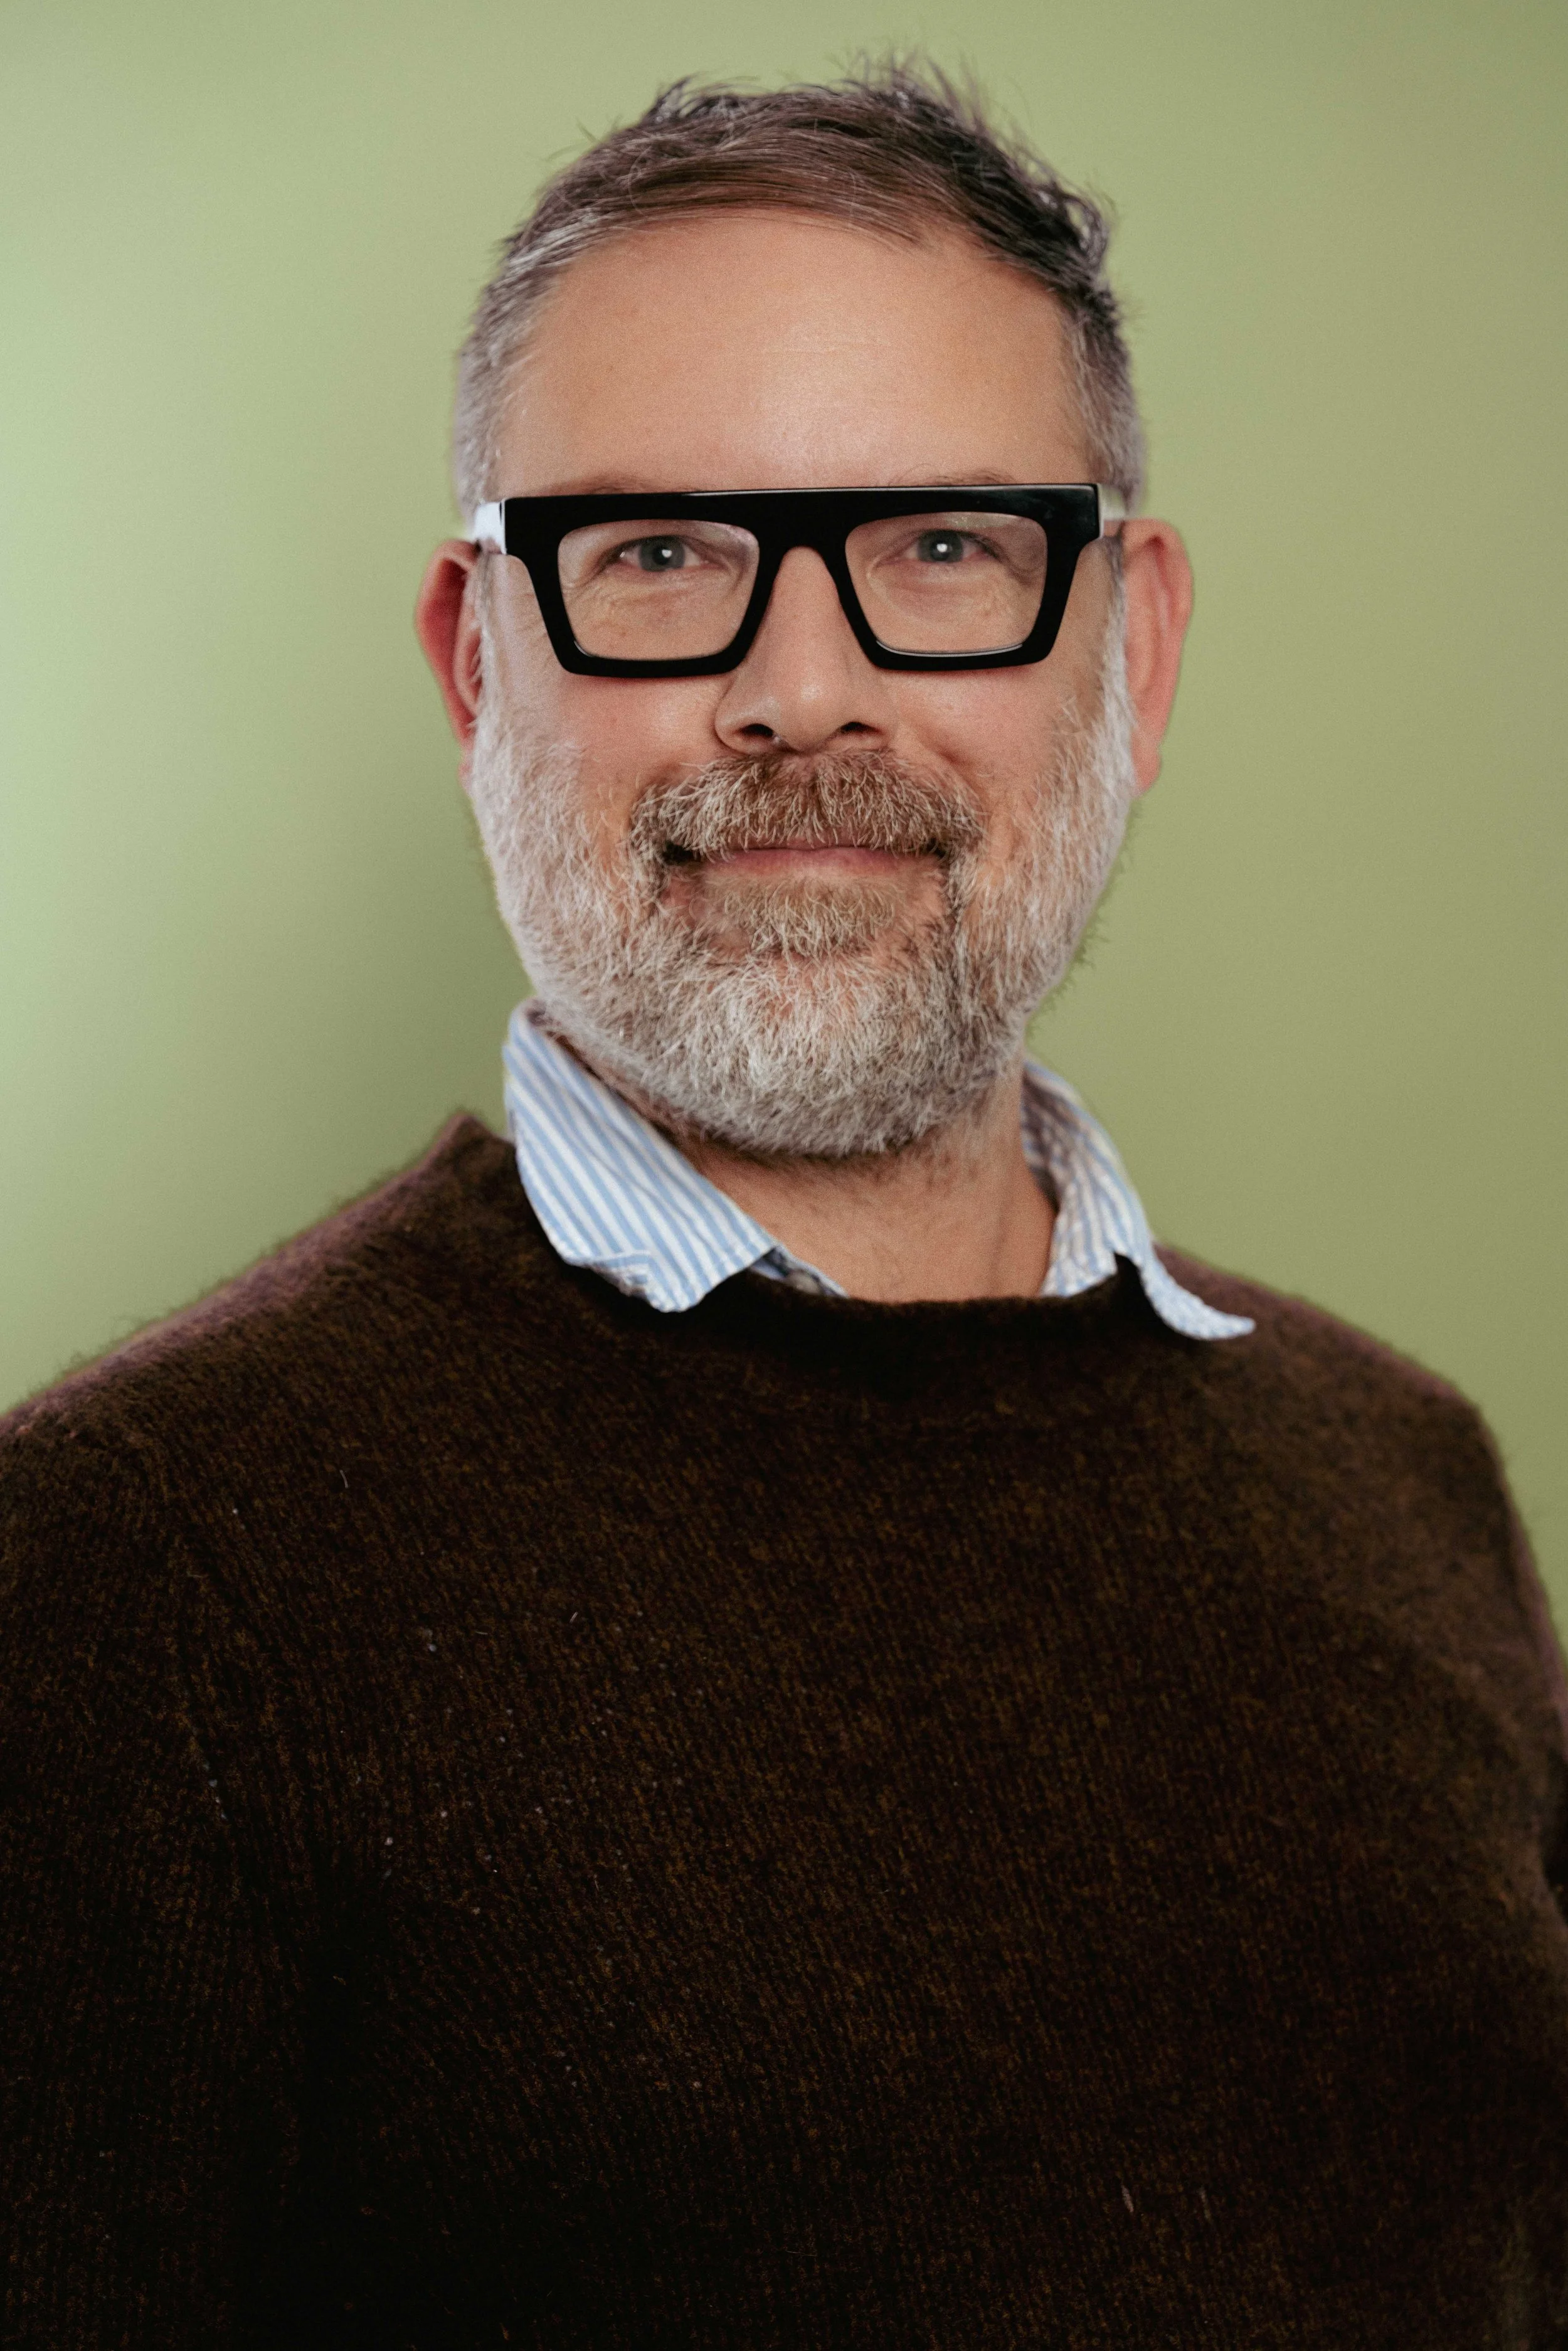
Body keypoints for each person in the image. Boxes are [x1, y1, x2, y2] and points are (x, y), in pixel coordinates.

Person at [3, 63, 1565, 2350]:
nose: (797, 688)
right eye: (659, 556)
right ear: (477, 663)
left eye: (943, 547)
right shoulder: (125, 1588)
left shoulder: (1406, 1474)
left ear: (1124, 654)